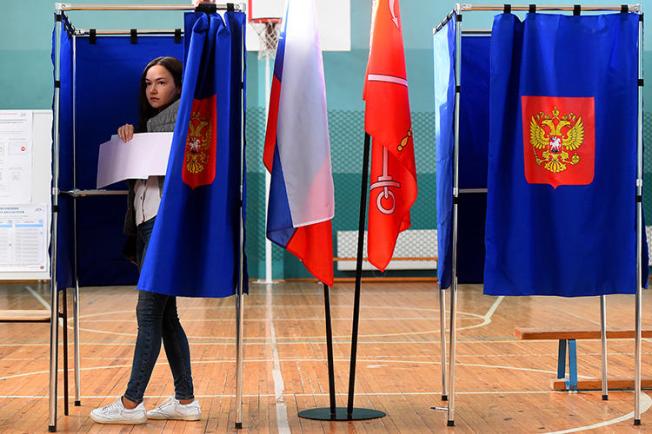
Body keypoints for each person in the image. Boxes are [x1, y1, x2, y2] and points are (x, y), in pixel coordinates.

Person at [90, 56, 201, 424]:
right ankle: (185, 401)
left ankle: (131, 402)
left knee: (149, 312)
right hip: (145, 225)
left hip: (161, 226)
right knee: (167, 316)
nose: (153, 90)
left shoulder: (182, 121)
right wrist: (130, 140)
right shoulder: (149, 126)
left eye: (162, 82)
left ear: (179, 87)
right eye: (148, 83)